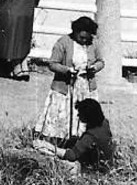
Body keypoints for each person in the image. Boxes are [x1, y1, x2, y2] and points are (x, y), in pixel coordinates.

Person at [35, 17, 106, 145]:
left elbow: (101, 61)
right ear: (75, 32)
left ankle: (82, 141)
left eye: (87, 38)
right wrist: (67, 70)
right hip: (66, 86)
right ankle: (59, 142)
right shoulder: (63, 42)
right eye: (81, 38)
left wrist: (94, 68)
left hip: (86, 86)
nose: (84, 41)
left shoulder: (94, 44)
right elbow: (52, 64)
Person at [33, 99, 115, 172]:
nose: (78, 115)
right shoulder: (104, 123)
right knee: (71, 142)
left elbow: (71, 155)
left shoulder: (90, 136)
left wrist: (48, 146)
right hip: (105, 161)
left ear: (88, 116)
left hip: (96, 168)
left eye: (80, 113)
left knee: (55, 157)